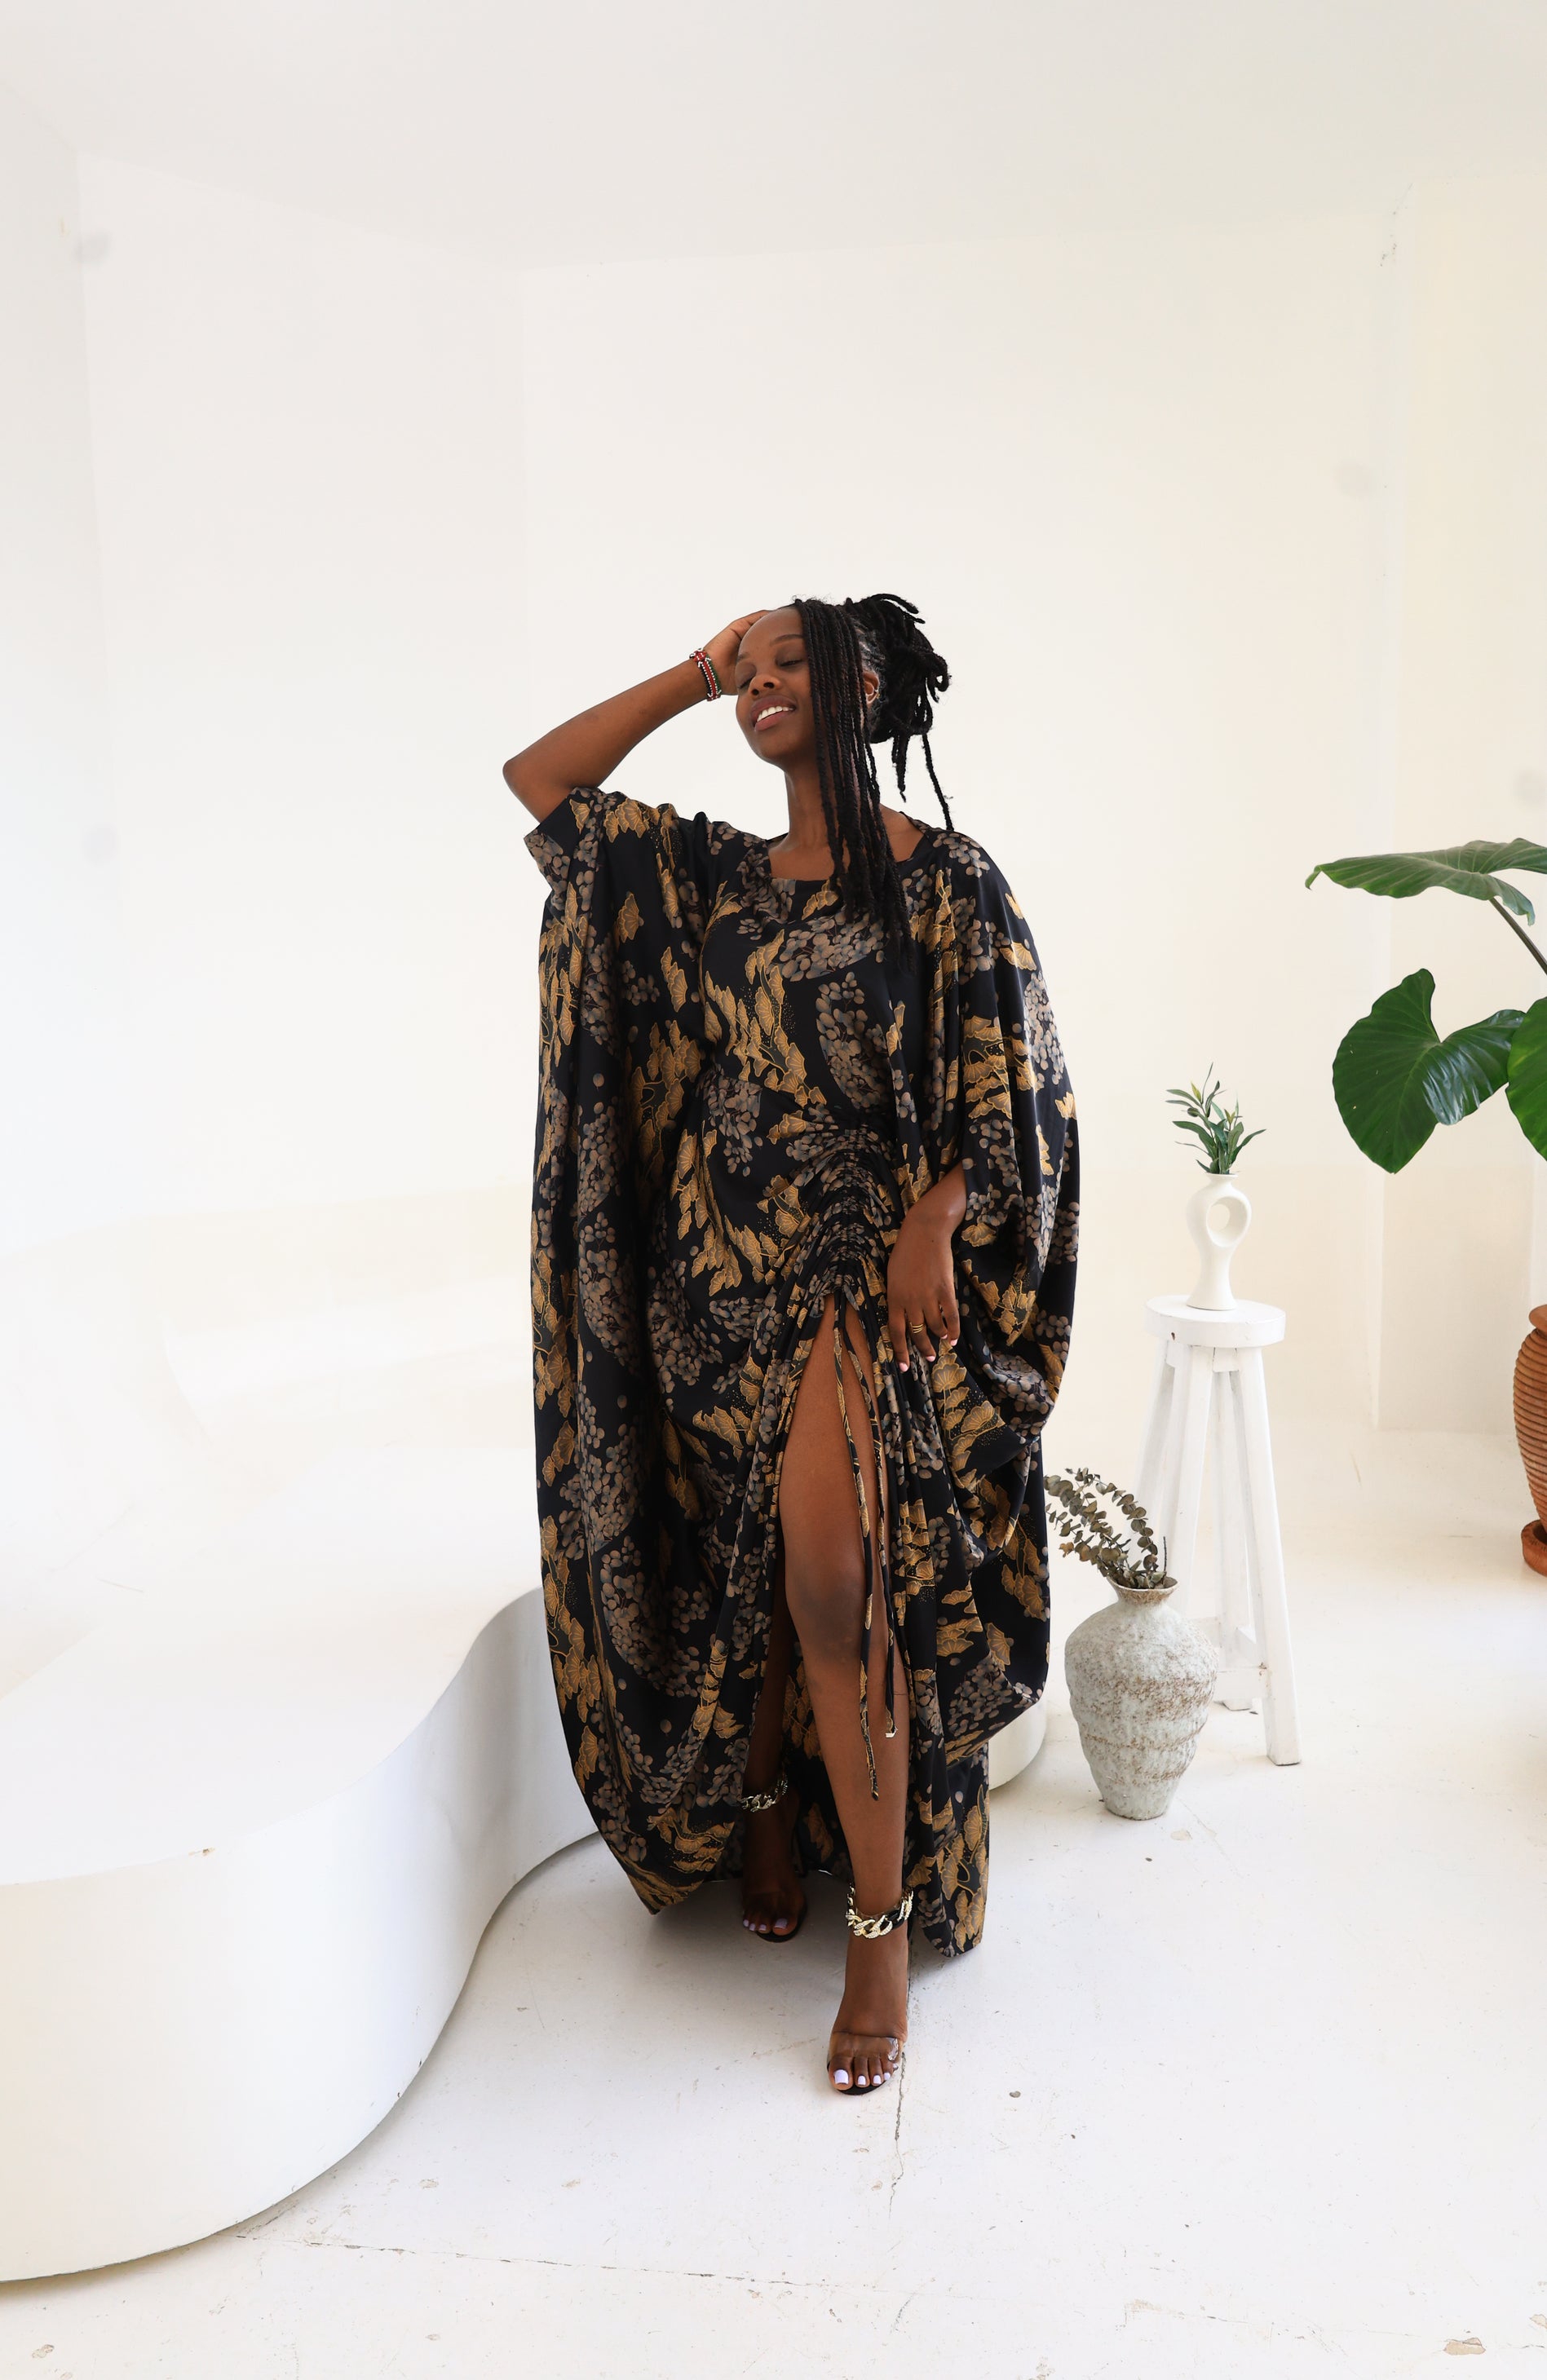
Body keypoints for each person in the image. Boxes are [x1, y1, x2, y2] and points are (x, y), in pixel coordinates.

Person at [505, 595, 1078, 2095]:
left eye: (784, 665)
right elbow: (541, 783)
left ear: (863, 686)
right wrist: (694, 672)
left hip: (857, 1277)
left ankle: (877, 1930)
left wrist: (937, 1215)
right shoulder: (713, 875)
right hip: (712, 1274)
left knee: (835, 1580)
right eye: (744, 670)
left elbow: (1016, 1089)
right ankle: (762, 1814)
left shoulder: (948, 879)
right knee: (739, 1562)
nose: (758, 685)